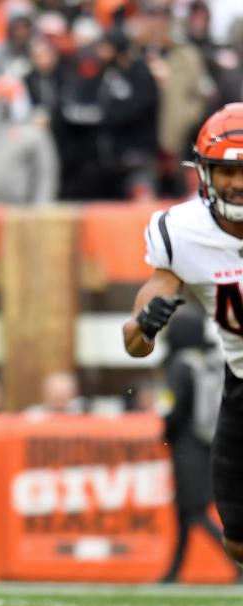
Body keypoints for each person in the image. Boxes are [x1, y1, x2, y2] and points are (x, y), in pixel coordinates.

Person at [122, 102, 243, 572]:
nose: (234, 182)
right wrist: (144, 325)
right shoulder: (183, 232)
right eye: (222, 171)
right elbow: (135, 341)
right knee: (236, 540)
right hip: (239, 379)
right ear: (203, 172)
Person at [158, 306, 227, 583]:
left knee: (195, 511)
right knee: (185, 512)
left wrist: (165, 433)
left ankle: (238, 562)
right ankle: (172, 573)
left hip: (187, 445)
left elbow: (172, 410)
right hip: (209, 442)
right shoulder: (208, 360)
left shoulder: (180, 364)